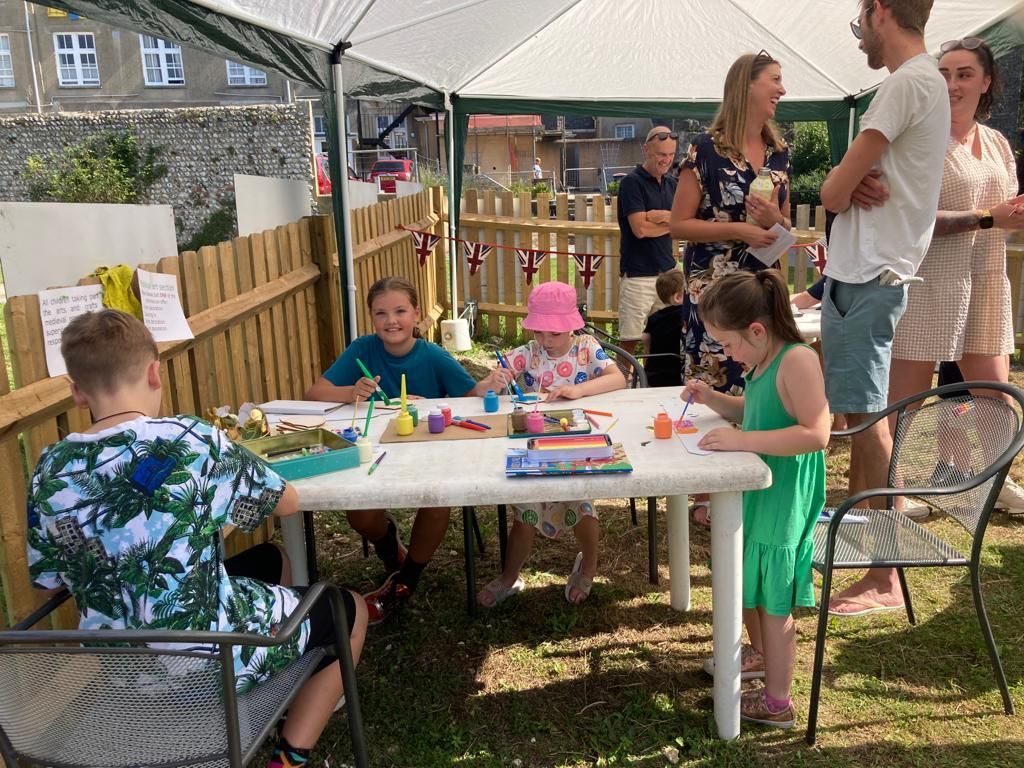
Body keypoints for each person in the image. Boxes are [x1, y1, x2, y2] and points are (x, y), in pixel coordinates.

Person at [25, 310, 367, 768]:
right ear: (154, 373)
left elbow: (47, 582)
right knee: (349, 608)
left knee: (272, 558)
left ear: (77, 391)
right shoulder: (189, 438)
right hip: (207, 663)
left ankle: (272, 686)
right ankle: (288, 758)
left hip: (122, 671)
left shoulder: (49, 469)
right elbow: (285, 503)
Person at [817, 0, 950, 616]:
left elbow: (831, 192)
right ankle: (873, 562)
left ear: (880, 11)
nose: (859, 38)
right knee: (865, 421)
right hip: (875, 273)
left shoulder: (904, 83)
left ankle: (884, 577)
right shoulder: (927, 82)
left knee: (870, 427)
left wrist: (845, 184)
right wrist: (852, 182)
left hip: (867, 275)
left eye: (859, 23)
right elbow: (850, 186)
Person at [306, 276, 511, 624]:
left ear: (416, 314)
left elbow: (468, 396)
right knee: (358, 515)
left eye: (400, 311)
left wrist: (486, 386)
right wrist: (350, 392)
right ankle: (391, 549)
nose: (391, 321)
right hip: (376, 453)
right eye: (381, 313)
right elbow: (314, 394)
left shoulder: (432, 354)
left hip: (427, 454)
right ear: (372, 317)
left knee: (439, 499)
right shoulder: (362, 349)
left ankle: (406, 581)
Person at [884, 37, 1024, 522]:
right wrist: (989, 218)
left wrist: (1013, 216)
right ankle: (892, 496)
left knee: (996, 396)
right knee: (904, 403)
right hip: (927, 281)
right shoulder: (919, 139)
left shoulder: (998, 142)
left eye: (964, 74)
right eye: (943, 73)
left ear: (986, 82)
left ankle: (994, 483)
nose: (951, 84)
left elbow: (1006, 210)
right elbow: (909, 219)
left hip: (985, 278)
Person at [682, 269, 829, 729]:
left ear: (757, 331)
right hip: (760, 488)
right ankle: (761, 654)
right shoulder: (763, 361)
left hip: (783, 495)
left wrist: (744, 441)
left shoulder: (797, 360)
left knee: (773, 601)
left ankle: (778, 702)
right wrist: (712, 398)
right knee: (747, 580)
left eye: (728, 344)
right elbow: (759, 410)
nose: (727, 354)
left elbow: (817, 433)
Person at [670, 50, 790, 523]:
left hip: (760, 287)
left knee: (759, 378)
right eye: (774, 80)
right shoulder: (704, 150)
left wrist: (774, 219)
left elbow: (783, 225)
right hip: (713, 291)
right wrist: (738, 230)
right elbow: (679, 225)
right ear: (747, 86)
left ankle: (754, 481)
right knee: (715, 377)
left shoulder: (779, 152)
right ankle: (707, 493)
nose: (782, 90)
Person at [476, 282, 626, 607]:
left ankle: (588, 567)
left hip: (577, 446)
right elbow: (476, 393)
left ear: (572, 326)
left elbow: (619, 379)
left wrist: (578, 390)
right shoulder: (528, 353)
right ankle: (510, 577)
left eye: (555, 333)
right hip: (534, 448)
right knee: (526, 511)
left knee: (583, 507)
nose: (546, 340)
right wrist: (491, 383)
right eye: (539, 332)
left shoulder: (586, 347)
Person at [616, 126, 680, 355]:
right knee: (629, 343)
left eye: (671, 154)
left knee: (666, 340)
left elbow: (684, 223)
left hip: (668, 274)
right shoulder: (631, 183)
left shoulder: (673, 184)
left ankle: (654, 378)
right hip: (637, 276)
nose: (667, 160)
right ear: (646, 150)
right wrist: (673, 222)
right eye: (661, 154)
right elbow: (640, 229)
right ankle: (621, 377)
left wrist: (663, 217)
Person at [641, 269, 686, 387]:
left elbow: (645, 338)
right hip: (677, 375)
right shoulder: (686, 316)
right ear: (678, 297)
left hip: (653, 375)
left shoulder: (654, 317)